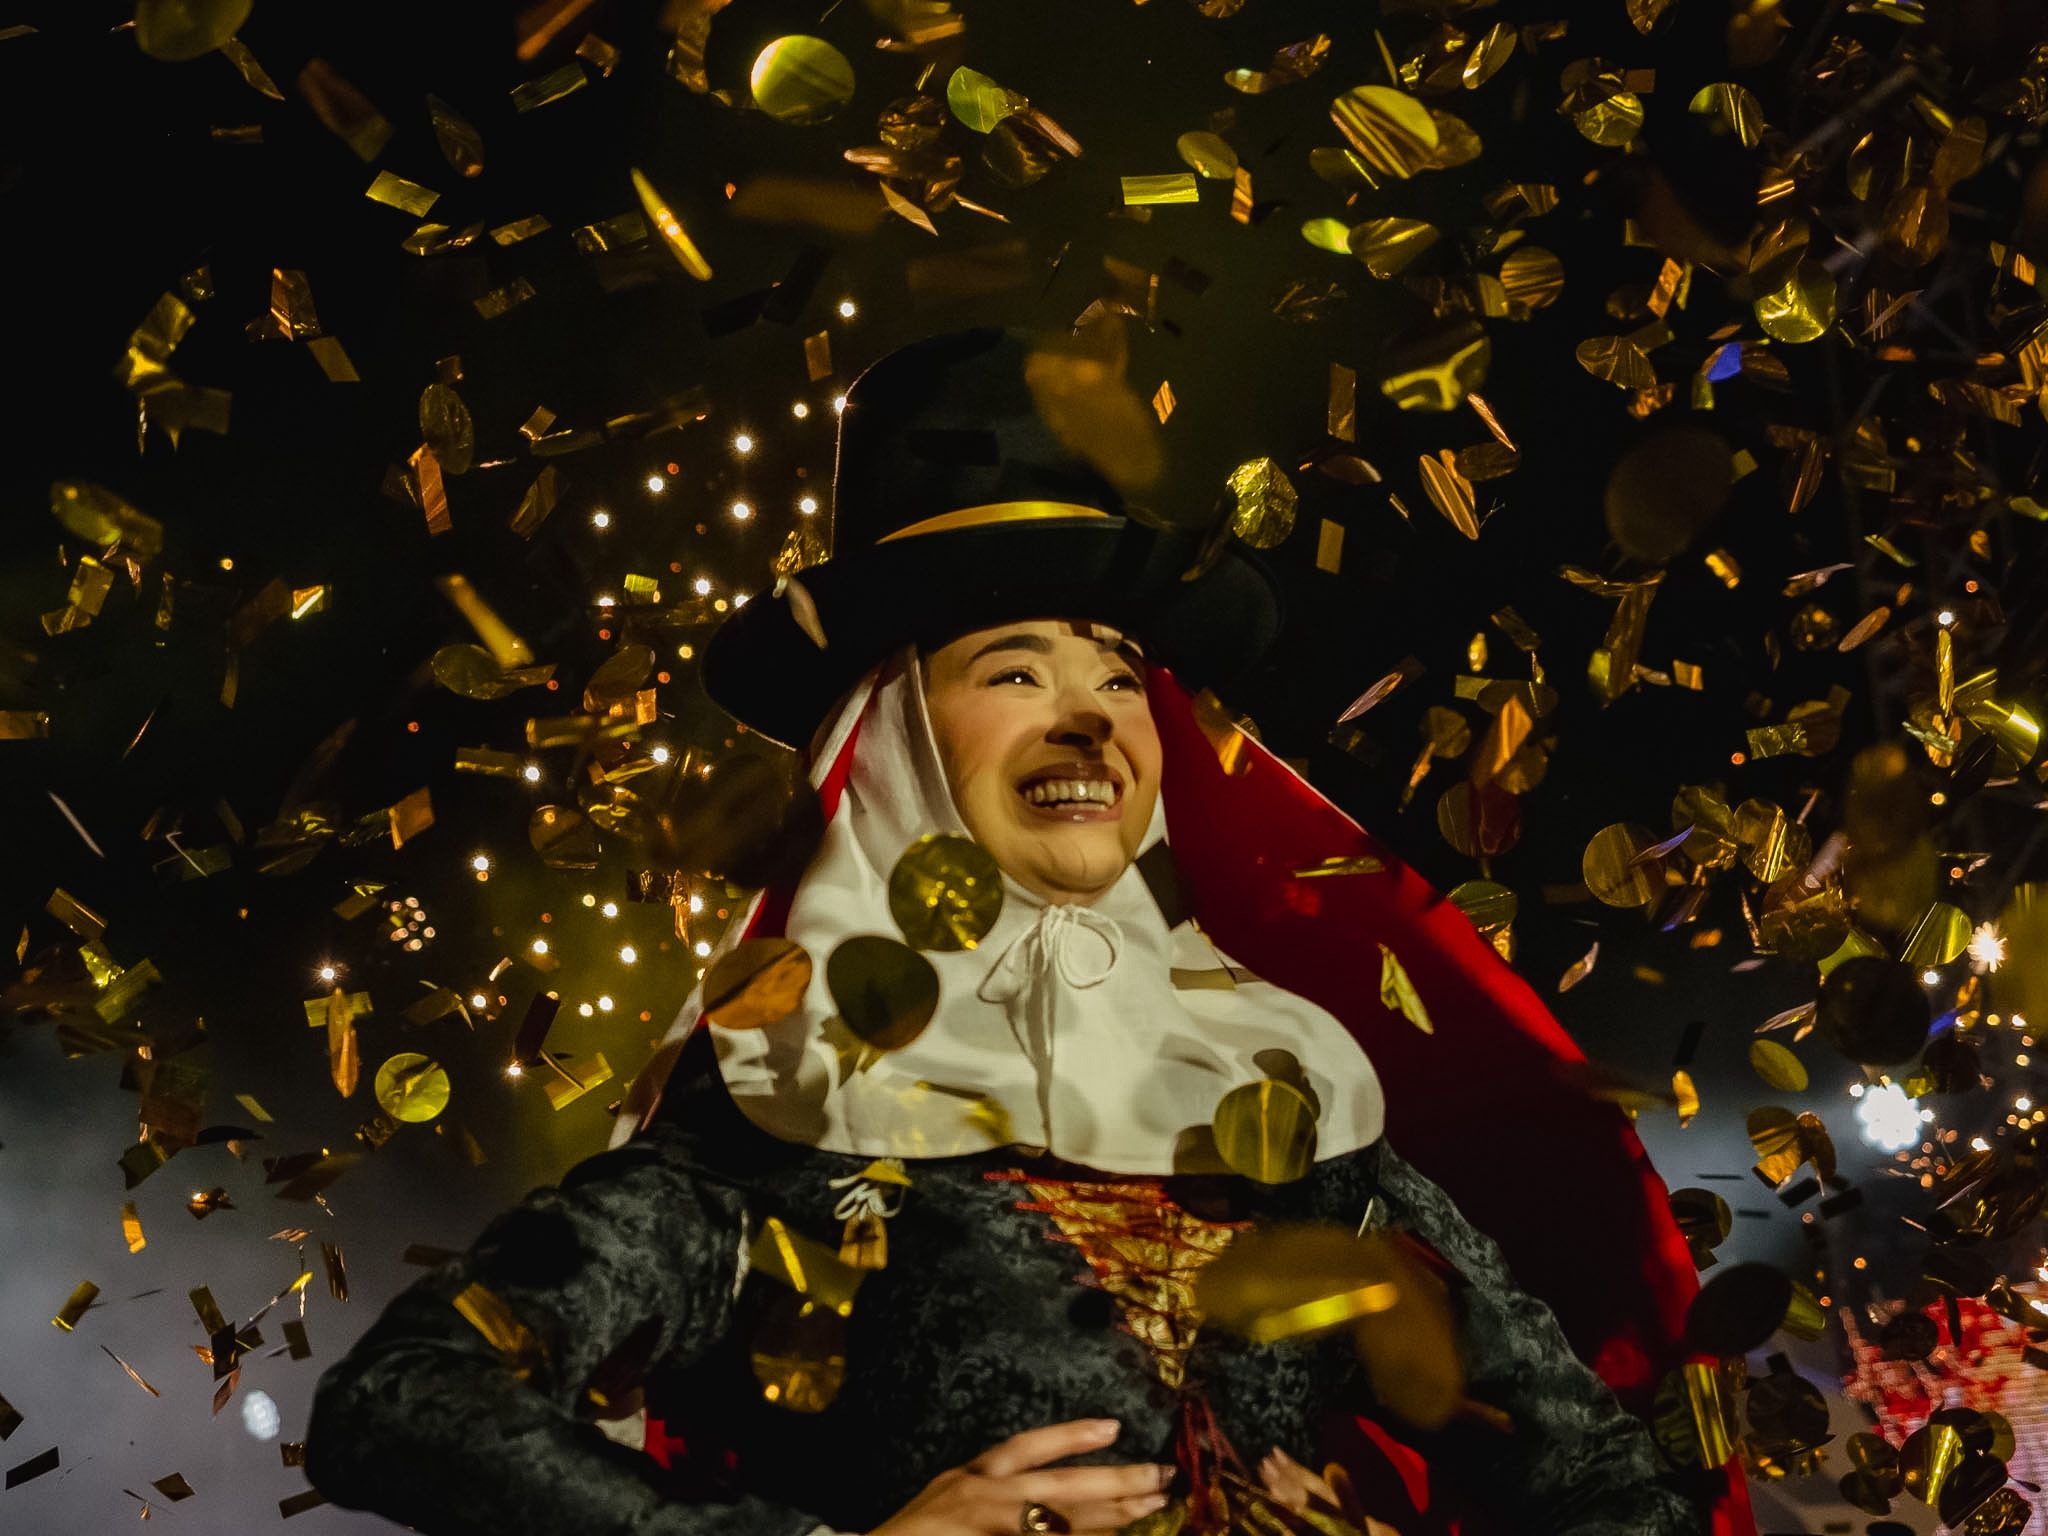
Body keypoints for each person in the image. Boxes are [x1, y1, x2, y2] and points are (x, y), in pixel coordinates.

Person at [307, 330, 1744, 1535]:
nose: (1090, 718)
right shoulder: (775, 1121)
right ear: (895, 745)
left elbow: (1607, 1494)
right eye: (1015, 669)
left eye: (1120, 680)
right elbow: (406, 1402)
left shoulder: (1295, 1120)